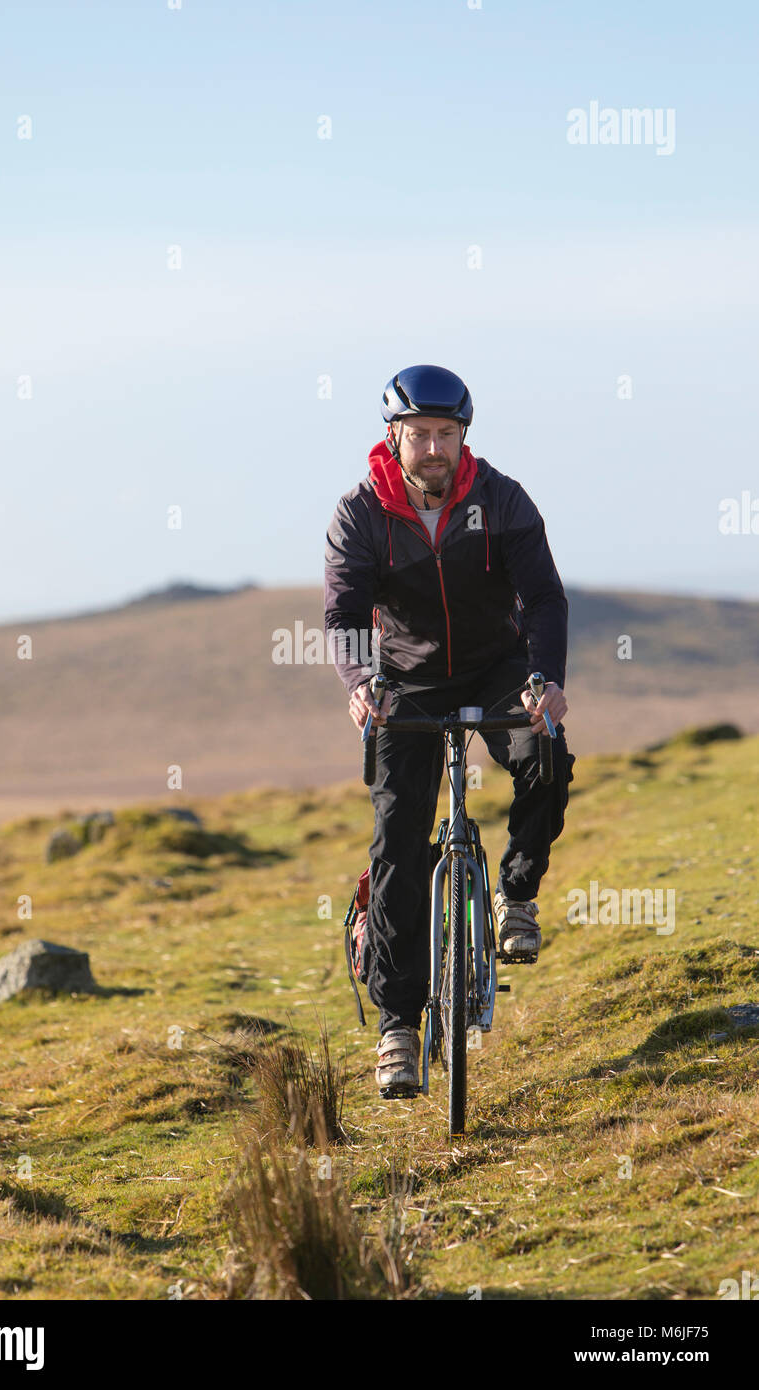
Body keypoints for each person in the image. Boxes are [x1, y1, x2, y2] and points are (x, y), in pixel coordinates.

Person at [324, 364, 575, 1097]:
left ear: (463, 436)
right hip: (402, 680)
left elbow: (545, 597)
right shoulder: (361, 513)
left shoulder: (501, 499)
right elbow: (343, 618)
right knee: (397, 839)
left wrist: (547, 679)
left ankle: (517, 893)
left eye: (446, 434)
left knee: (546, 752)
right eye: (419, 434)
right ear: (393, 437)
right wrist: (360, 684)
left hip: (498, 666)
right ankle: (398, 1026)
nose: (434, 448)